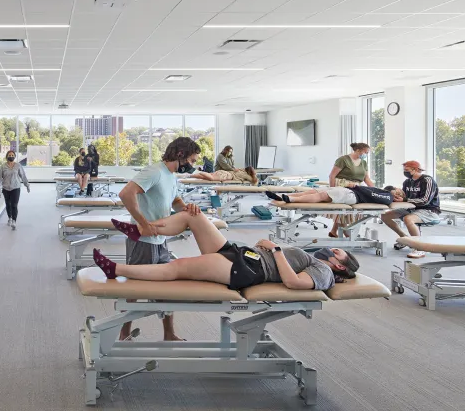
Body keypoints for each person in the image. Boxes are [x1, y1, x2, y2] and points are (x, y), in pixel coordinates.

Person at [94, 211, 359, 291]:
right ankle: (143, 231)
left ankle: (113, 269)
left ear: (340, 266)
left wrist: (276, 249)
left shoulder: (323, 271)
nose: (330, 249)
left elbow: (292, 281)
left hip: (247, 270)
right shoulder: (317, 260)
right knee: (192, 216)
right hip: (243, 254)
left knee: (178, 266)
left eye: (337, 252)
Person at [117, 137, 202, 342]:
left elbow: (173, 200)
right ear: (180, 155)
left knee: (167, 288)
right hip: (142, 242)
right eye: (191, 160)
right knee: (134, 289)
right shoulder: (155, 171)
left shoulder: (171, 175)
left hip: (160, 241)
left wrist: (186, 207)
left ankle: (169, 334)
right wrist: (143, 223)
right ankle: (123, 333)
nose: (192, 165)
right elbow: (126, 194)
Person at [381, 161, 440, 259]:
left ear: (415, 169)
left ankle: (419, 248)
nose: (405, 172)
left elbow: (425, 200)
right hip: (412, 209)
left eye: (407, 170)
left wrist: (404, 200)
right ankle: (406, 238)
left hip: (429, 210)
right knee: (385, 216)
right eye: (404, 170)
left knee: (408, 219)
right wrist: (395, 197)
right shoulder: (407, 182)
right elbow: (405, 198)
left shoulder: (427, 180)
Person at [326, 142, 374, 237]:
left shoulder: (363, 163)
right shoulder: (343, 160)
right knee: (343, 210)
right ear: (357, 150)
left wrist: (374, 190)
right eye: (365, 152)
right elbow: (332, 176)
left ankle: (333, 231)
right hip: (343, 186)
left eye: (367, 153)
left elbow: (366, 178)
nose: (366, 155)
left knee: (347, 210)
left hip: (356, 188)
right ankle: (346, 232)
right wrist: (332, 189)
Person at [0, 150, 30, 230]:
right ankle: (10, 217)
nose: (11, 156)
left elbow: (23, 176)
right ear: (7, 156)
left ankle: (14, 221)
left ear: (14, 156)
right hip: (6, 188)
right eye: (9, 155)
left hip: (16, 187)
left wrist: (27, 185)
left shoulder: (18, 165)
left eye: (12, 155)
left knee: (14, 205)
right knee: (8, 204)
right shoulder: (3, 166)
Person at [265, 184, 395, 206]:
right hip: (349, 191)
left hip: (353, 196)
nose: (398, 194)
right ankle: (281, 195)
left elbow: (372, 194)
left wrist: (357, 186)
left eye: (400, 194)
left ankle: (291, 199)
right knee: (314, 191)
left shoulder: (388, 197)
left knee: (322, 196)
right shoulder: (383, 191)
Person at [189, 166, 258, 185]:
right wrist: (254, 175)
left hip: (223, 172)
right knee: (211, 178)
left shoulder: (241, 170)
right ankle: (198, 171)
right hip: (226, 175)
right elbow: (254, 182)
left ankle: (189, 175)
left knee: (205, 177)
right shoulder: (246, 175)